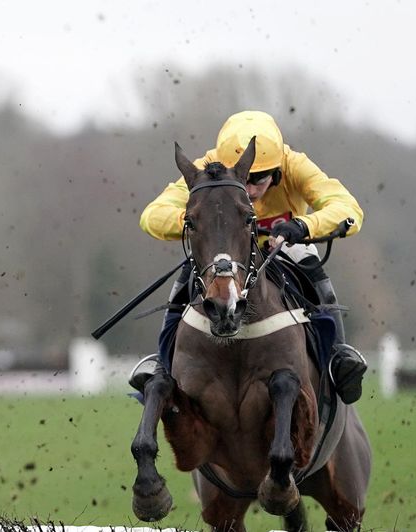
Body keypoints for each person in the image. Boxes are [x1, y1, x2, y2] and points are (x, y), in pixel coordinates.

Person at [133, 110, 368, 404]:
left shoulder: (294, 164)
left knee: (307, 259)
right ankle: (162, 365)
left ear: (278, 170)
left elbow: (348, 208)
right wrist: (200, 221)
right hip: (229, 253)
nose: (251, 188)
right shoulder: (207, 168)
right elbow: (152, 216)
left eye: (259, 179)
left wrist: (303, 225)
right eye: (244, 178)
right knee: (189, 272)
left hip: (282, 249)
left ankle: (337, 357)